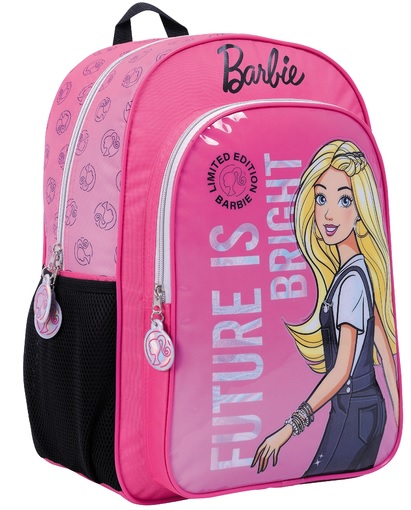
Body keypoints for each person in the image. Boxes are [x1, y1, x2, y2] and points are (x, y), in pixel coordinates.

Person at [251, 140, 399, 476]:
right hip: (369, 411)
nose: (329, 214)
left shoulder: (351, 283)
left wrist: (288, 429)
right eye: (321, 198)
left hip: (352, 412)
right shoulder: (358, 271)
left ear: (361, 209)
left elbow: (341, 370)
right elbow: (380, 338)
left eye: (344, 200)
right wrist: (396, 411)